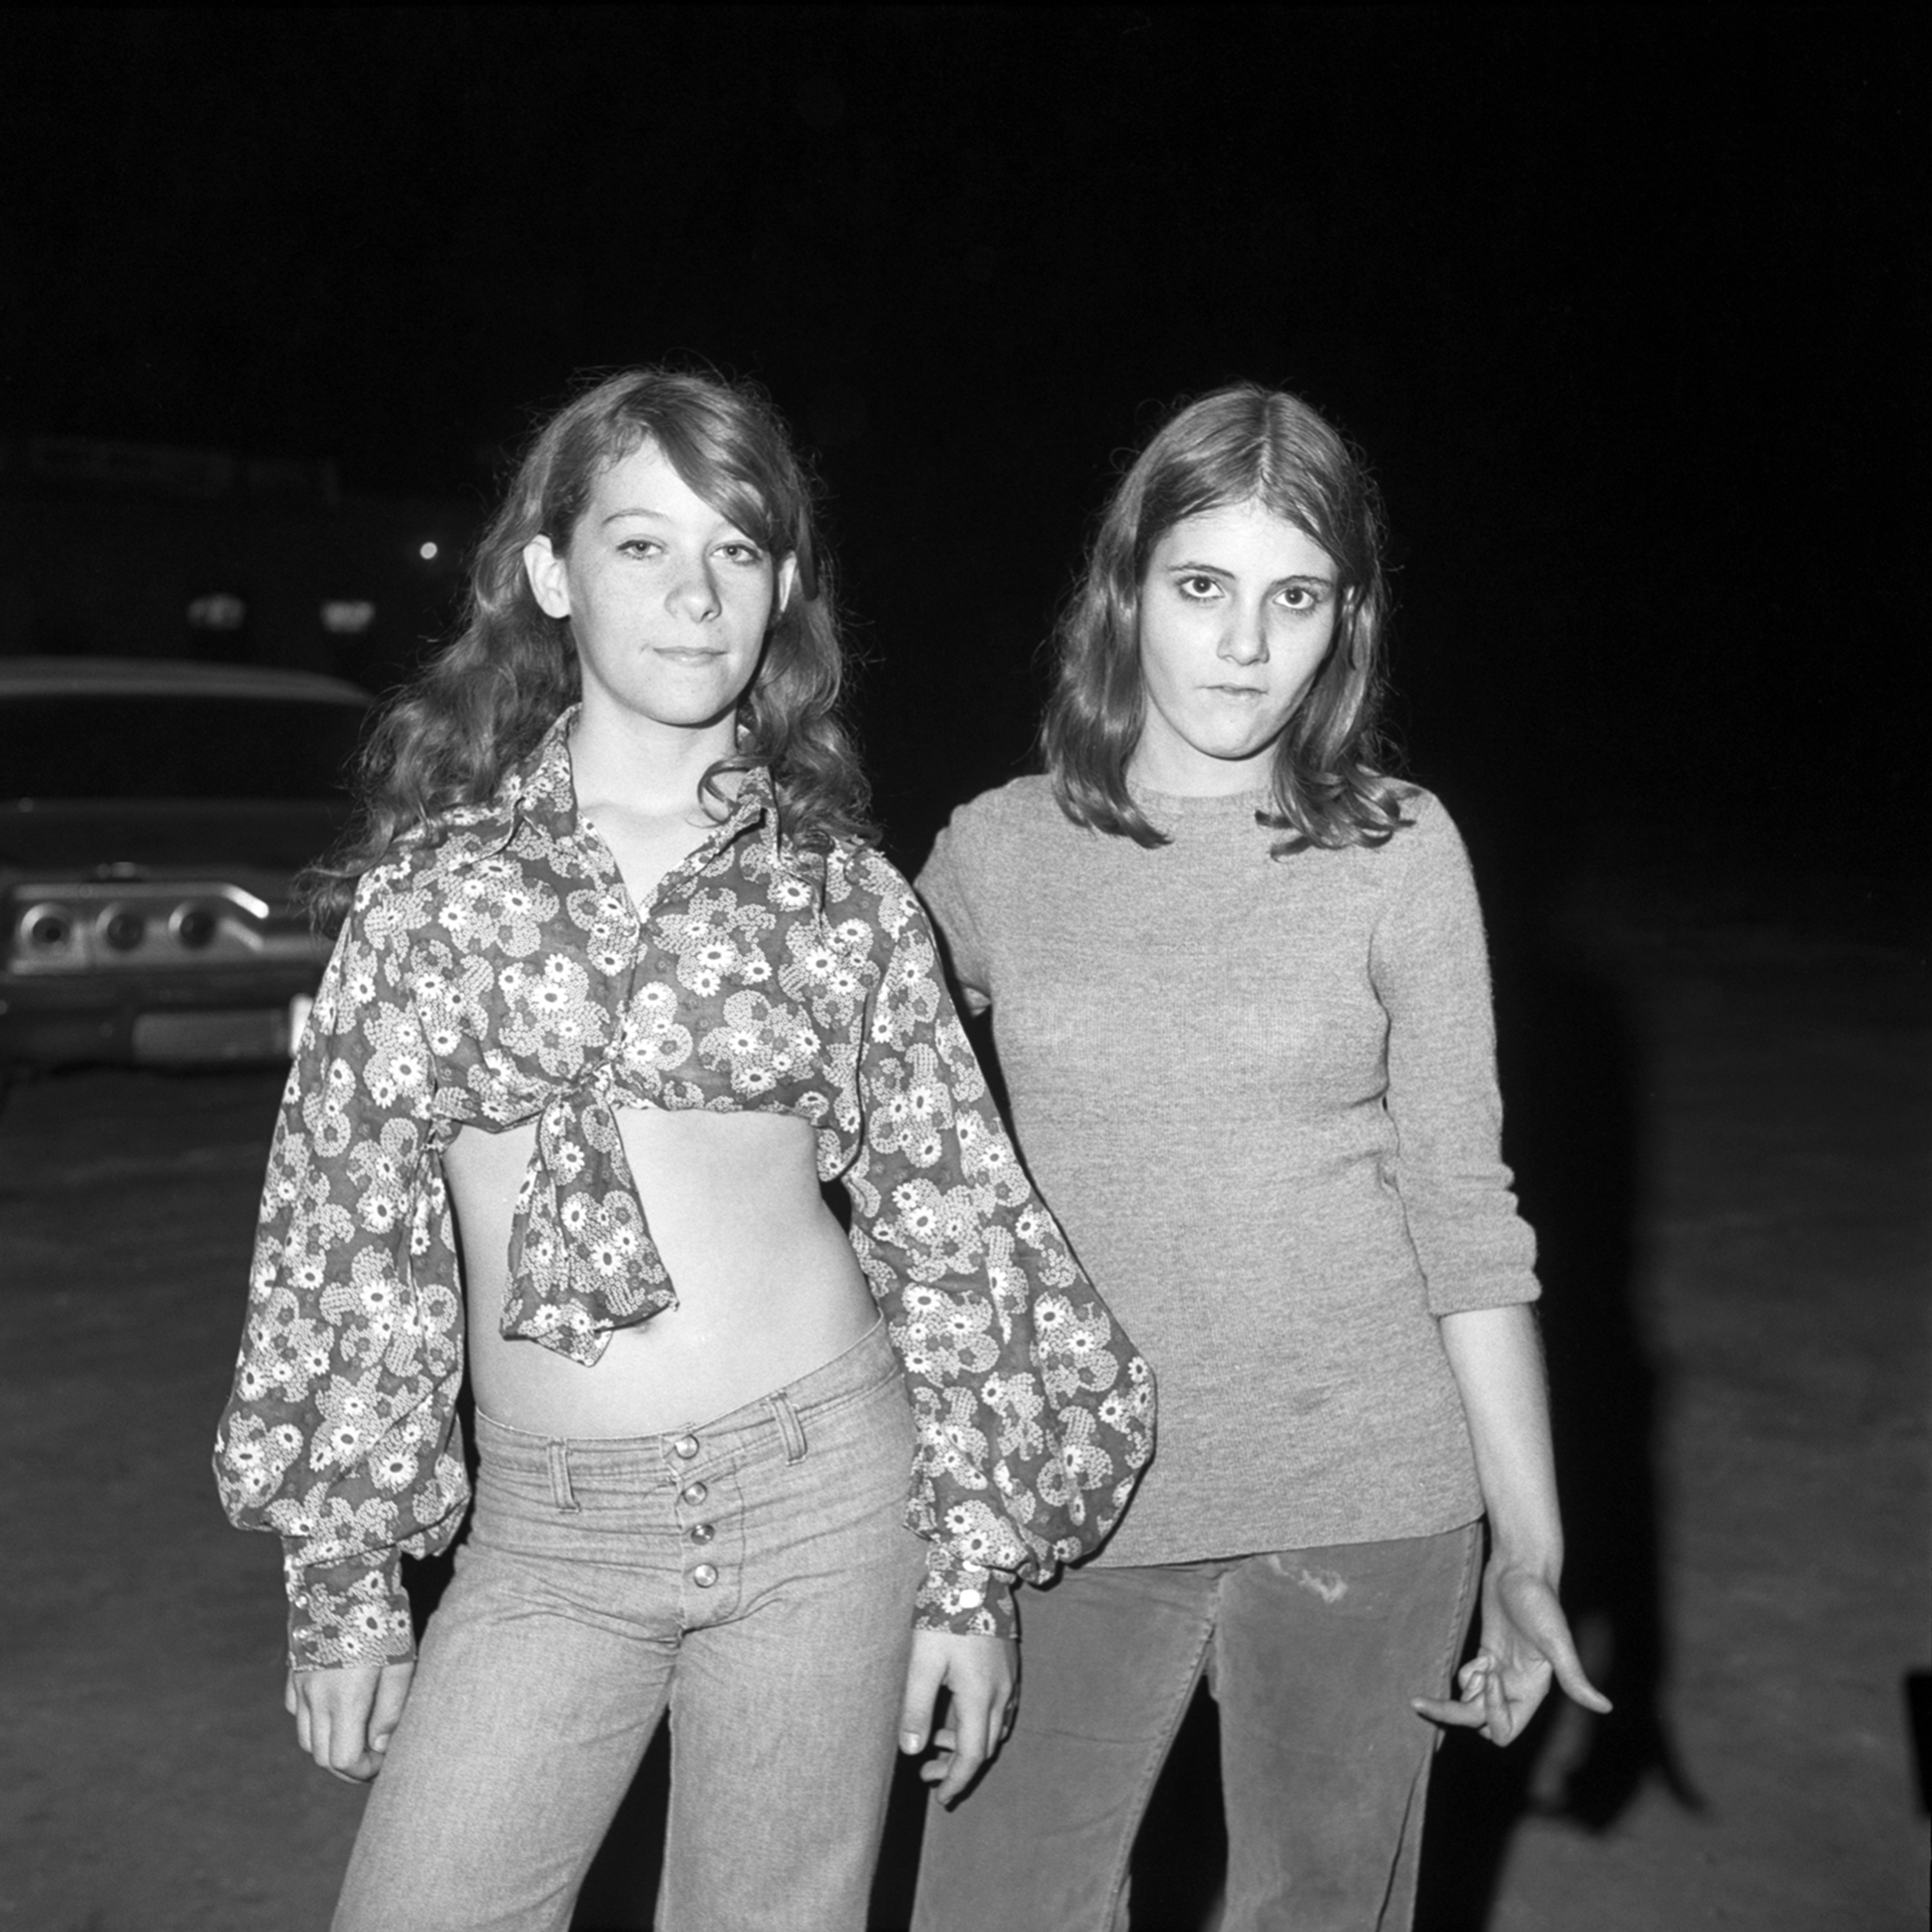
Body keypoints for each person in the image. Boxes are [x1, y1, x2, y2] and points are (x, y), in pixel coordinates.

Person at [212, 368, 1153, 1932]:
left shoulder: (842, 897)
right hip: (546, 1537)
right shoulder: (427, 901)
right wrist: (344, 1583)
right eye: (641, 545)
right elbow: (346, 1246)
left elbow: (959, 1234)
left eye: (736, 549)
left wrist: (967, 1580)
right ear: (547, 572)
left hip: (822, 1505)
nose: (693, 592)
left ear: (782, 587)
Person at [909, 383, 1609, 1932]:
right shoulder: (996, 851)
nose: (1242, 646)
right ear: (1126, 589)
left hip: (1367, 1498)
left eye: (1293, 597)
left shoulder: (1398, 848)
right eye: (1202, 588)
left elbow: (1465, 1211)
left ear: (1344, 619)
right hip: (1072, 1505)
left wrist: (1527, 1551)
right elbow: (840, 1105)